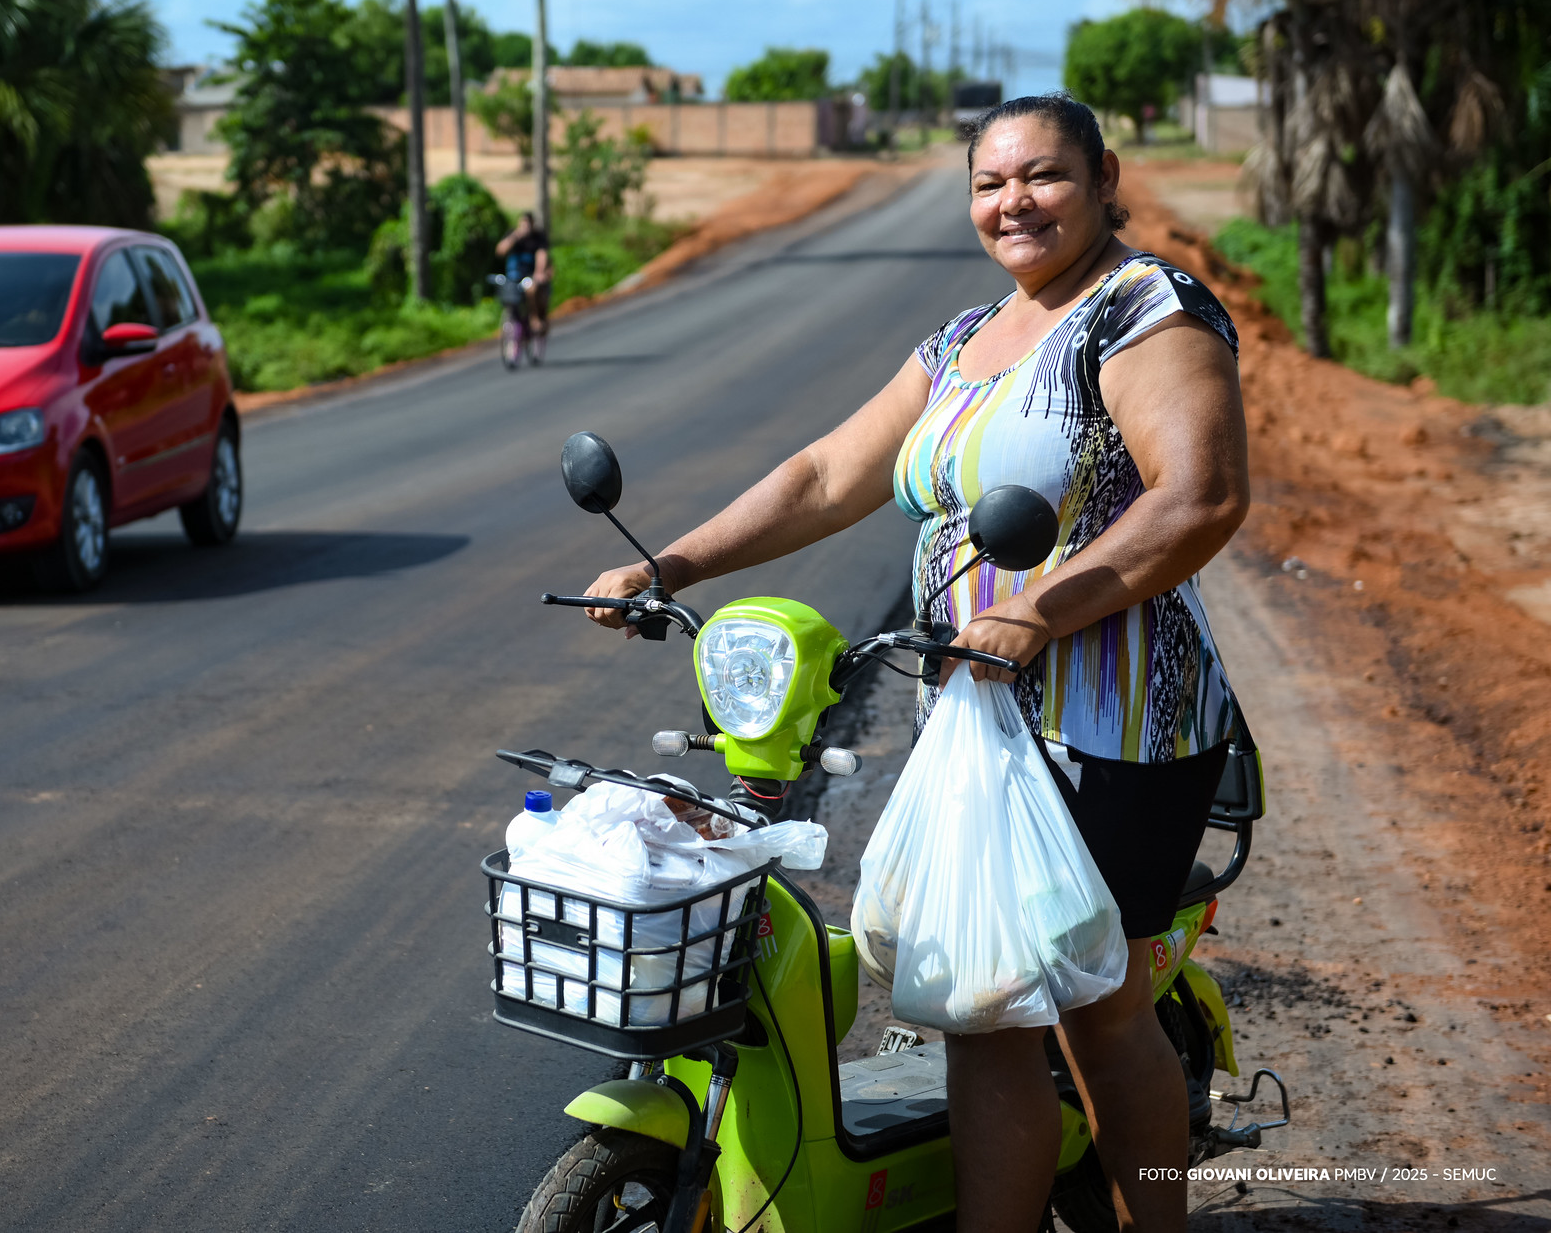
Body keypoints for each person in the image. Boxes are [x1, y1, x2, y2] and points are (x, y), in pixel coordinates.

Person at [576, 93, 1248, 1233]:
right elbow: (824, 475)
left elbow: (1200, 497)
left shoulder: (1143, 309)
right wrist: (672, 566)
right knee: (980, 1008)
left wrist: (1044, 607)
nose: (1011, 202)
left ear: (1101, 176)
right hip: (976, 718)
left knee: (1098, 1008)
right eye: (989, 184)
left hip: (1114, 717)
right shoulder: (958, 340)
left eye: (1040, 176)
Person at [495, 212, 552, 340]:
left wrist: (539, 272)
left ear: (532, 224)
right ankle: (513, 320)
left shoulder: (538, 237)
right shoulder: (513, 234)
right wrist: (515, 236)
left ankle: (534, 318)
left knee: (530, 288)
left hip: (530, 274)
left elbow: (541, 255)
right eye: (523, 223)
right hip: (514, 275)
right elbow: (500, 250)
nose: (525, 226)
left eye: (527, 223)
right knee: (507, 293)